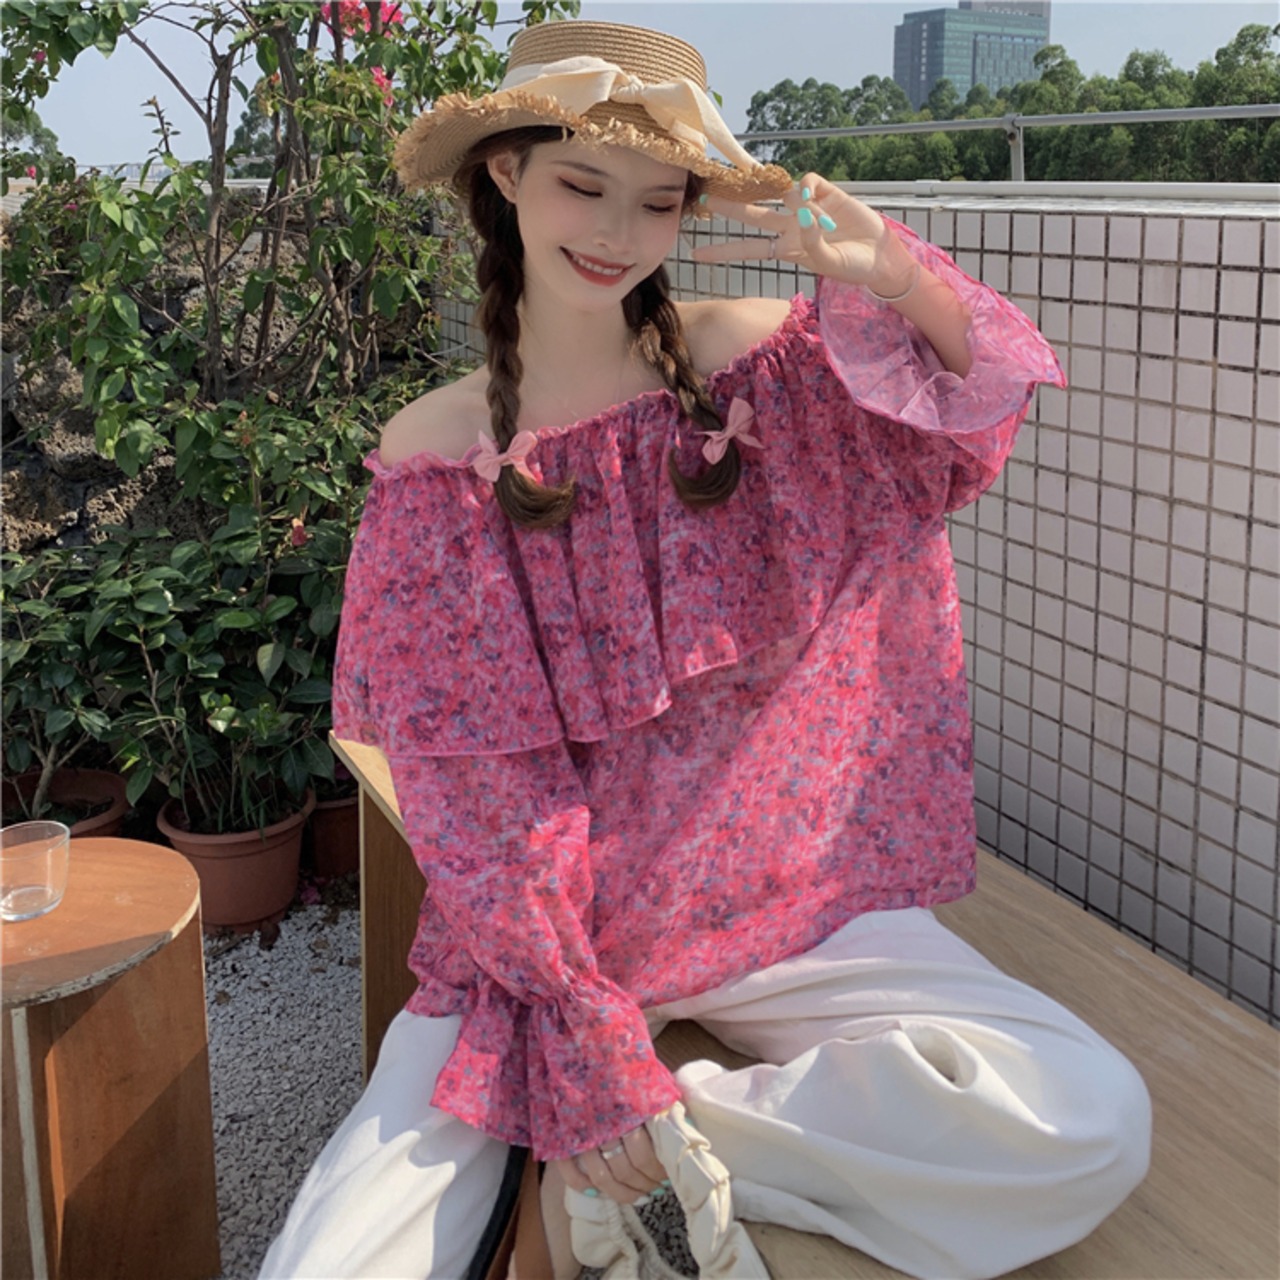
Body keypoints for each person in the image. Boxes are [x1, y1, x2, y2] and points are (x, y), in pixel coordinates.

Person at [261, 19, 1150, 1280]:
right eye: (581, 184)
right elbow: (476, 790)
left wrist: (891, 271)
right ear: (506, 172)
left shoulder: (758, 370)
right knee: (332, 1262)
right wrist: (586, 1037)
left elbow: (963, 419)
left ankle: (685, 1139)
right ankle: (610, 1134)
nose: (615, 231)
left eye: (657, 199)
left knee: (1087, 1117)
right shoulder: (435, 461)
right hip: (552, 948)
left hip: (777, 898)